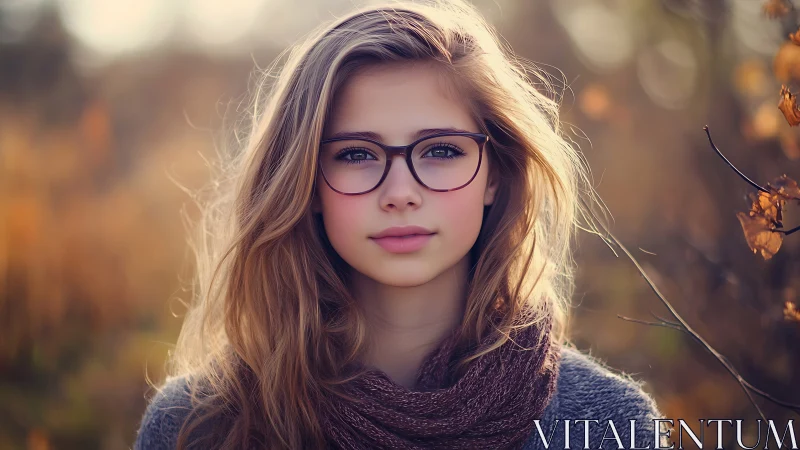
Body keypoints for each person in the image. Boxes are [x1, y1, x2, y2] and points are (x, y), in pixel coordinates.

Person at [133, 0, 671, 448]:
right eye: (356, 155)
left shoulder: (606, 424)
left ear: (495, 175)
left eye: (439, 150)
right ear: (306, 183)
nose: (400, 194)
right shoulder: (193, 426)